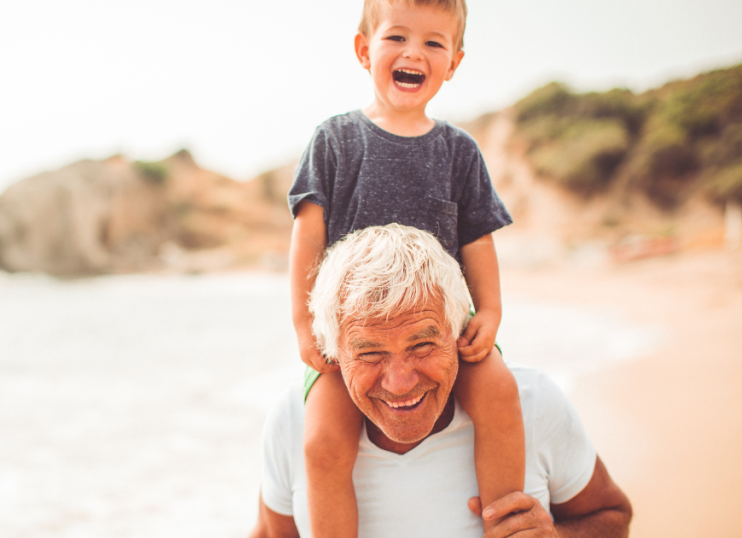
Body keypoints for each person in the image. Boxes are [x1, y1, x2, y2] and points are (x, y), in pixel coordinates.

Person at [287, 0, 520, 535]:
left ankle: (506, 522)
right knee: (322, 440)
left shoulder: (459, 151)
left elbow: (477, 238)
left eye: (434, 43)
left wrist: (490, 309)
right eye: (397, 38)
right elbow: (308, 234)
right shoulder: (335, 140)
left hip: (442, 331)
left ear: (454, 62)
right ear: (364, 50)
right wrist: (304, 324)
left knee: (500, 392)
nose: (414, 52)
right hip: (354, 342)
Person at [255, 225, 632, 537]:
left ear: (458, 331)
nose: (399, 383)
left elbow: (614, 517)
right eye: (370, 353)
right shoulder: (293, 423)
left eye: (421, 345)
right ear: (334, 351)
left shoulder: (533, 403)